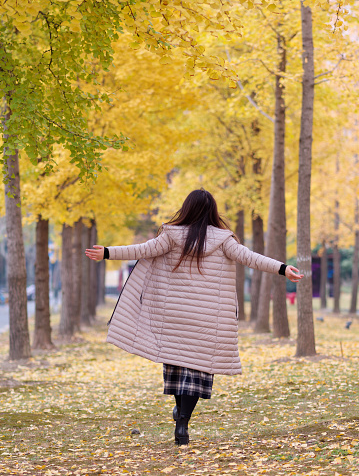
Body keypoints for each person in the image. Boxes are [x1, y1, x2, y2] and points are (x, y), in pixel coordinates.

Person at [85, 189, 303, 446]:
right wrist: (282, 268)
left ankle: (180, 416)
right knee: (197, 370)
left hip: (174, 317)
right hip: (207, 320)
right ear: (212, 210)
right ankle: (183, 421)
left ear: (186, 208)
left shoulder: (170, 235)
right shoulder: (224, 240)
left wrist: (108, 252)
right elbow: (251, 258)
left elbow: (143, 249)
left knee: (178, 366)